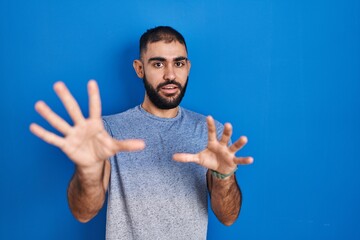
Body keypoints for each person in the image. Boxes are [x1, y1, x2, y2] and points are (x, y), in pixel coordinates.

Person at [30, 26, 253, 239]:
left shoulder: (211, 133)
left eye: (179, 63)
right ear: (139, 68)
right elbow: (83, 212)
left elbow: (228, 217)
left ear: (188, 67)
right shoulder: (106, 130)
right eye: (158, 64)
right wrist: (88, 172)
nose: (170, 75)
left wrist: (224, 176)